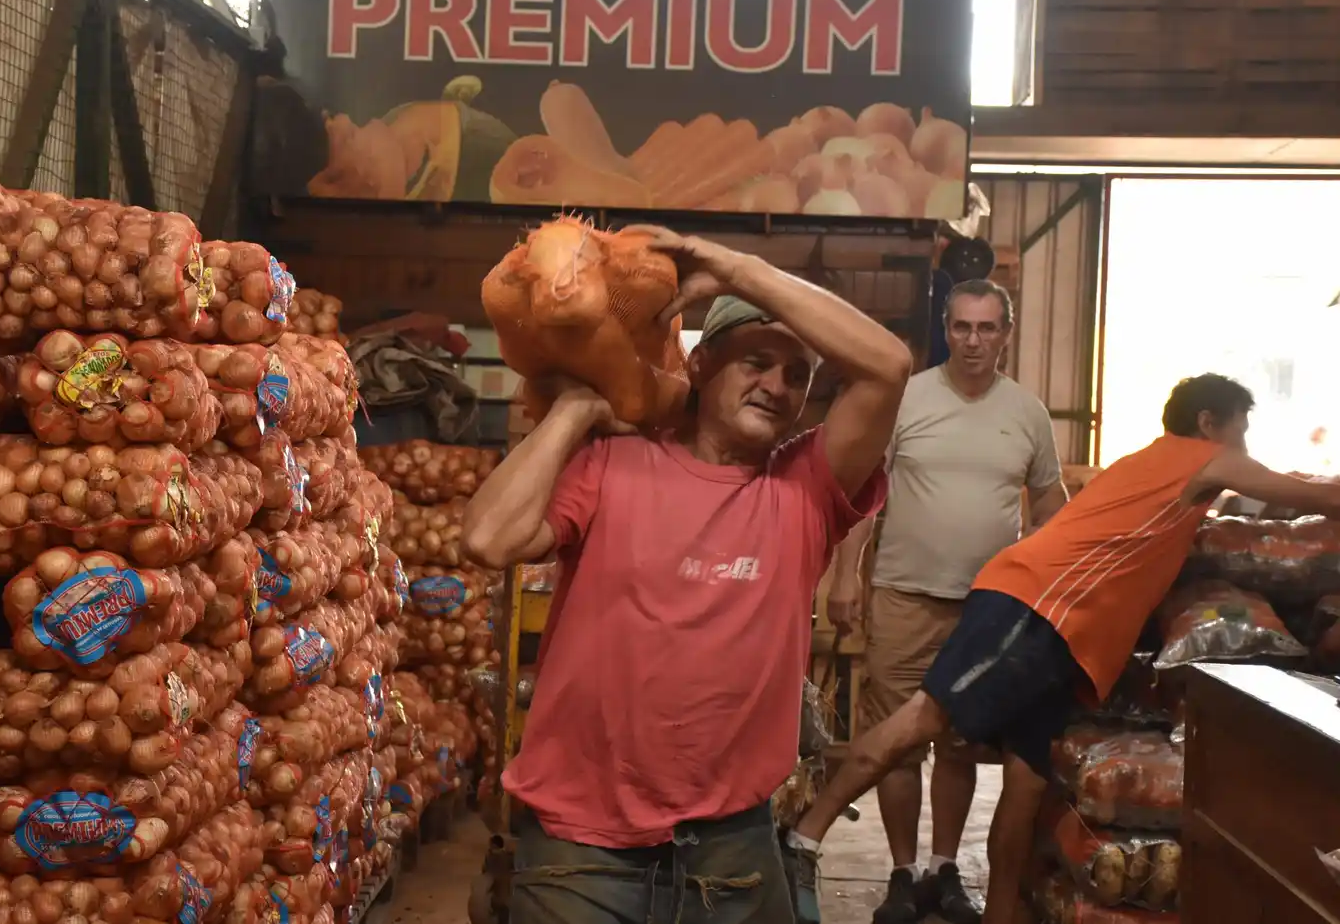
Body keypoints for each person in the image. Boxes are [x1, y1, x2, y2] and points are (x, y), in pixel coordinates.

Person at [462, 226, 911, 924]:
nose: (777, 385)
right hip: (581, 846)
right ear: (700, 367)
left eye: (798, 375)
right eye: (756, 362)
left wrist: (735, 269)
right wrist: (578, 408)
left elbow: (889, 364)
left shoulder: (804, 490)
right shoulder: (613, 463)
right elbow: (488, 536)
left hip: (730, 847)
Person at [792, 372, 1340, 924]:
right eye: (1240, 431)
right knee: (923, 720)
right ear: (1208, 424)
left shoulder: (1150, 464)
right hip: (1034, 607)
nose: (1244, 446)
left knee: (1028, 780)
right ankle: (806, 839)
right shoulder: (1202, 456)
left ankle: (1000, 914)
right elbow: (1311, 492)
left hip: (1066, 637)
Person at [827, 279, 1066, 924]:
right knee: (897, 743)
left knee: (958, 743)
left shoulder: (1028, 413)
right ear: (946, 329)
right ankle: (903, 874)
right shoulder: (906, 400)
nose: (974, 341)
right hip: (903, 596)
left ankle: (943, 868)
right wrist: (846, 576)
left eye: (987, 328)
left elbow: (1049, 500)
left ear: (1006, 335)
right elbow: (860, 499)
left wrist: (1035, 565)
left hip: (987, 608)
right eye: (962, 327)